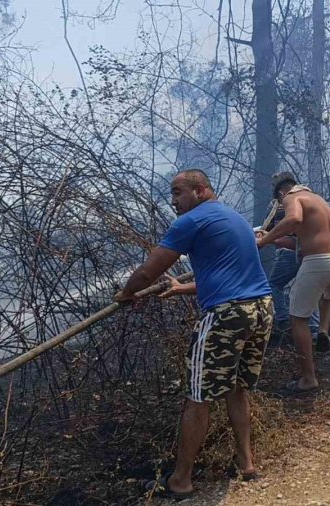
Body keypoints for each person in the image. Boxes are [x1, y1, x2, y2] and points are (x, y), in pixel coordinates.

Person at [115, 169, 273, 499]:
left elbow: (148, 271)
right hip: (261, 308)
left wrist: (127, 293)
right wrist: (181, 288)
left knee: (197, 396)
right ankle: (246, 464)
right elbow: (231, 278)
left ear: (200, 191)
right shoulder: (235, 218)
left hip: (226, 315)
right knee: (236, 388)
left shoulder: (189, 222)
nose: (173, 201)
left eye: (178, 192)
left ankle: (181, 481)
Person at [255, 172, 330, 394]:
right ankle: (323, 330)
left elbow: (293, 219)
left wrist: (265, 240)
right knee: (328, 293)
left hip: (318, 262)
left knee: (298, 319)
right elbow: (301, 236)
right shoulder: (317, 199)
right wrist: (269, 236)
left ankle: (308, 378)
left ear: (281, 193)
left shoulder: (290, 197)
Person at [259, 175, 321, 347]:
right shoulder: (310, 199)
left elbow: (269, 228)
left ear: (280, 190)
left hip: (289, 251)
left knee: (274, 284)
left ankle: (284, 320)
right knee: (309, 288)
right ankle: (315, 330)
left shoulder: (280, 202)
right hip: (309, 251)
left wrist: (265, 239)